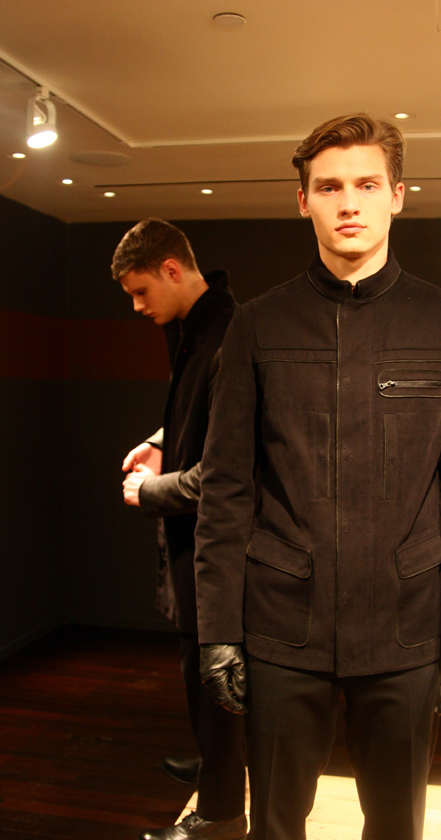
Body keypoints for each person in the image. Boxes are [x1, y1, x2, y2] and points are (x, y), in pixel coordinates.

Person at [193, 115, 441, 840]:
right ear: (303, 201)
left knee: (396, 825)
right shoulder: (258, 325)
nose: (349, 204)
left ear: (397, 195)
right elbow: (226, 489)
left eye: (366, 184)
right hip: (281, 629)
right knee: (275, 823)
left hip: (406, 630)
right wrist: (218, 629)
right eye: (329, 188)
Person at [112, 219, 247, 840]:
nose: (137, 307)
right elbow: (198, 415)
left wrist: (150, 492)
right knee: (198, 673)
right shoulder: (193, 328)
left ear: (172, 269)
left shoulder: (228, 337)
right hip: (196, 547)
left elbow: (223, 475)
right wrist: (159, 440)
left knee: (213, 677)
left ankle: (219, 814)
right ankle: (216, 765)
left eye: (141, 291)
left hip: (218, 551)